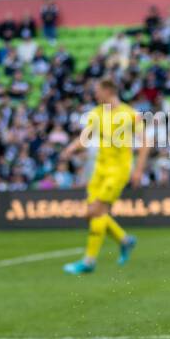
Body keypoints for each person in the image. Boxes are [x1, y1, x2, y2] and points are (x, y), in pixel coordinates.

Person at [59, 78, 151, 275]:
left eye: (97, 91)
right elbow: (84, 139)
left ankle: (89, 261)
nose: (95, 95)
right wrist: (70, 149)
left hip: (118, 170)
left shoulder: (130, 115)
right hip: (99, 170)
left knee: (96, 211)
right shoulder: (96, 114)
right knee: (92, 213)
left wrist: (138, 170)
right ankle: (124, 240)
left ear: (109, 91)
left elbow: (145, 144)